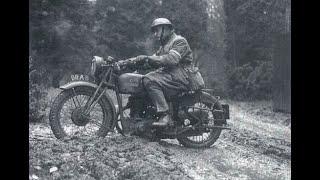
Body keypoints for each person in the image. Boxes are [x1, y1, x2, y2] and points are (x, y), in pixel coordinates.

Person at [134, 18, 196, 127]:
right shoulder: (164, 46)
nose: (155, 34)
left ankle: (165, 114)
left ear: (166, 29)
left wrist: (148, 58)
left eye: (157, 30)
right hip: (171, 76)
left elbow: (171, 59)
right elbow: (153, 61)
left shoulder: (179, 41)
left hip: (182, 76)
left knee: (149, 80)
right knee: (141, 79)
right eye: (154, 31)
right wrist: (135, 63)